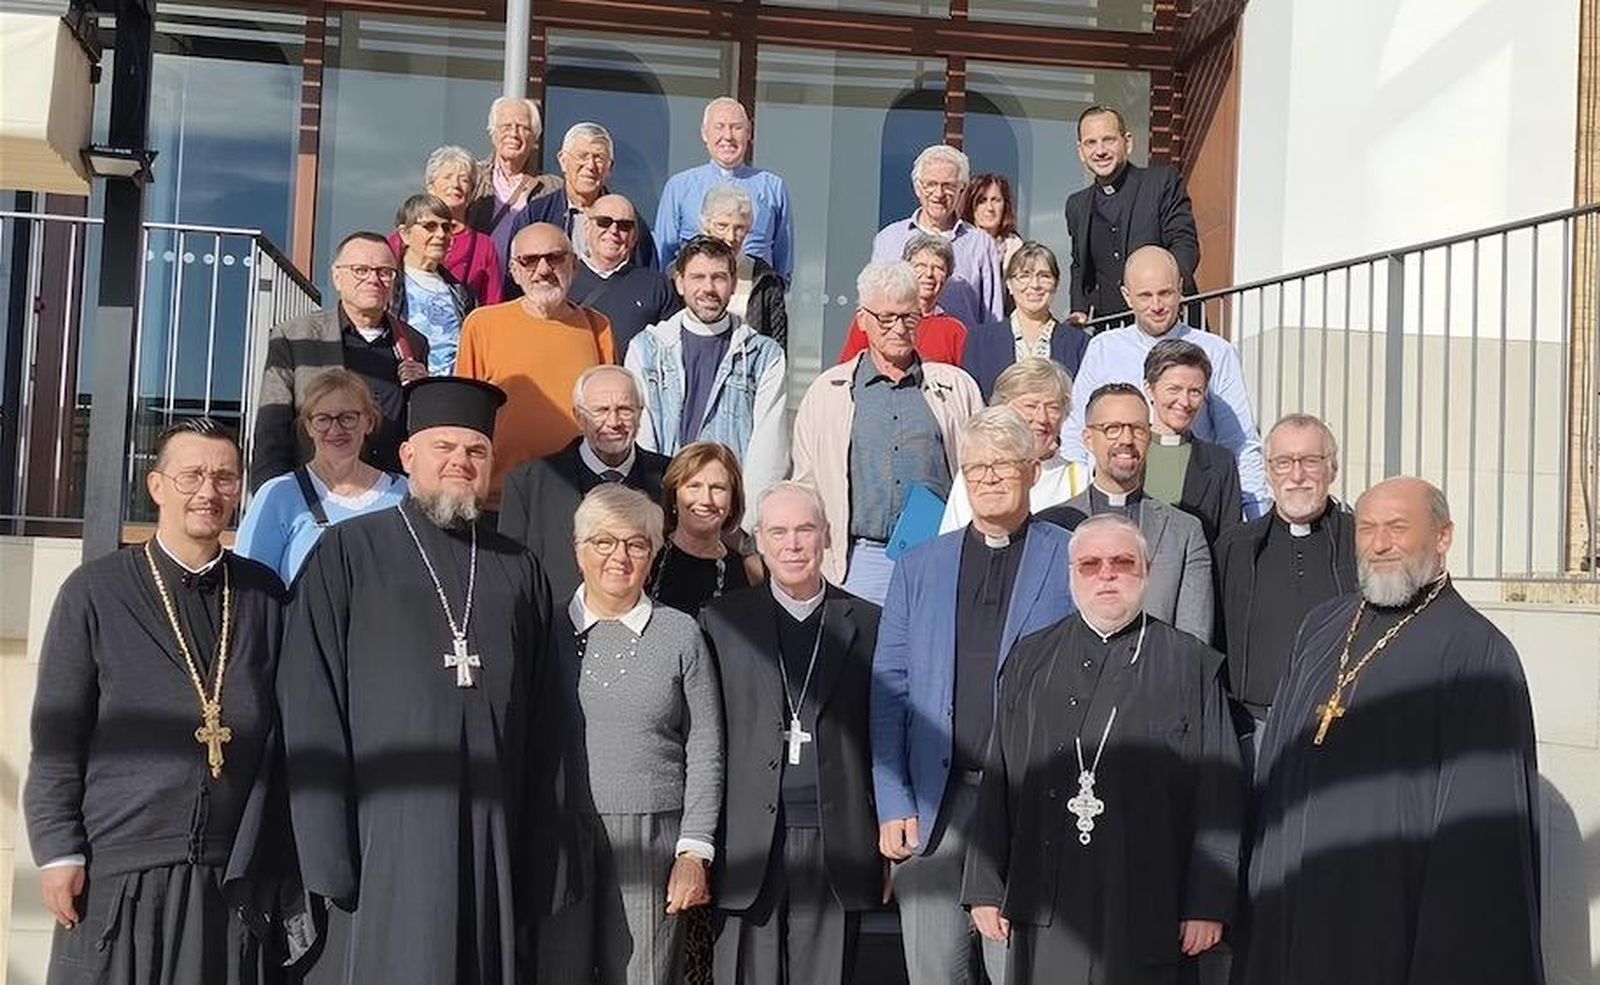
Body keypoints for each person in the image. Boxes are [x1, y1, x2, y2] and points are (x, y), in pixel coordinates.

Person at [279, 376, 554, 985]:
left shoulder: (520, 568)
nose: (461, 462)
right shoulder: (347, 554)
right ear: (408, 457)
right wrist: (327, 851)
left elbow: (544, 718)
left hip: (493, 835)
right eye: (444, 448)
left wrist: (535, 847)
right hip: (381, 837)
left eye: (476, 452)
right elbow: (309, 700)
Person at [1242, 477, 1543, 985]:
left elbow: (1481, 838)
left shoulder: (1476, 652)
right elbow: (1275, 767)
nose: (1379, 544)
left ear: (1443, 537)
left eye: (1398, 528)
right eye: (1367, 529)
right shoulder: (1321, 627)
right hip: (1292, 906)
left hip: (1388, 919)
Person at [26, 419, 286, 984]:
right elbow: (56, 738)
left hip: (230, 874)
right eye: (191, 475)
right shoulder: (95, 591)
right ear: (157, 485)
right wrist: (57, 850)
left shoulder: (265, 596)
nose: (208, 492)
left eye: (224, 478)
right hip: (118, 869)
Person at [963, 513, 1243, 985]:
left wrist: (1207, 900)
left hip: (1150, 899)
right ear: (1072, 576)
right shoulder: (1030, 659)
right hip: (1047, 897)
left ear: (1147, 573)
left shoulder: (1191, 664)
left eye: (1122, 562)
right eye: (1090, 564)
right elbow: (1000, 775)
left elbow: (1219, 792)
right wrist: (985, 886)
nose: (1107, 574)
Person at [871, 406, 1076, 985]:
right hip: (934, 809)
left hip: (1026, 807)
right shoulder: (918, 568)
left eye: (1001, 465)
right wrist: (892, 802)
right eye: (975, 467)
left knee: (1018, 971)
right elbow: (890, 691)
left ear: (1033, 470)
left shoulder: (1068, 558)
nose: (987, 477)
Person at [536, 484, 724, 985]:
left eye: (636, 544)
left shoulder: (681, 633)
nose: (620, 556)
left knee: (643, 976)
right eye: (604, 542)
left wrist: (693, 851)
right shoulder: (543, 629)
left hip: (653, 835)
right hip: (559, 834)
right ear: (579, 550)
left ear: (653, 553)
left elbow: (706, 746)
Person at [701, 482, 883, 985]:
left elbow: (883, 737)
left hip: (836, 837)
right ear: (759, 539)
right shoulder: (721, 622)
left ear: (826, 536)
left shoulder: (869, 623)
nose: (793, 544)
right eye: (778, 531)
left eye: (805, 530)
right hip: (748, 837)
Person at [791, 260, 984, 601]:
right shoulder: (828, 392)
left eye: (909, 317)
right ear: (862, 320)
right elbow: (806, 484)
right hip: (856, 561)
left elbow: (980, 469)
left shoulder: (956, 388)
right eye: (886, 318)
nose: (899, 328)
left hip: (938, 556)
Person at [1063, 245, 1269, 518]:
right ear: (1127, 296)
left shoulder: (1217, 351)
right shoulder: (1103, 348)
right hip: (1114, 500)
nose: (1157, 306)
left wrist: (1257, 515)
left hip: (1194, 498)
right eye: (1145, 296)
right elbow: (1076, 433)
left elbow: (1239, 442)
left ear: (1181, 288)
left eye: (1165, 293)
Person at [626, 236, 787, 526]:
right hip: (664, 510)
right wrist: (655, 509)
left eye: (718, 278)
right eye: (698, 277)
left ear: (734, 282)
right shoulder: (647, 348)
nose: (708, 288)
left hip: (726, 515)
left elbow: (769, 448)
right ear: (679, 282)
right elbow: (642, 433)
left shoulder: (763, 354)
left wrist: (745, 525)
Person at [251, 230, 429, 491]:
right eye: (360, 270)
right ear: (337, 277)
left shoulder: (413, 342)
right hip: (319, 495)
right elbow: (272, 431)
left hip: (388, 497)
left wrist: (423, 390)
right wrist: (271, 498)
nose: (373, 279)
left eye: (384, 272)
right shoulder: (296, 337)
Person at [456, 222, 616, 511]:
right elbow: (464, 420)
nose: (543, 270)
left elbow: (609, 414)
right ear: (514, 271)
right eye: (529, 261)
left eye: (555, 257)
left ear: (575, 265)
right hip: (500, 500)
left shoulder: (598, 327)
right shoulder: (482, 325)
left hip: (579, 499)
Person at [1213, 413, 1355, 735]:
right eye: (1283, 462)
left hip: (1338, 725)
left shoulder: (1360, 542)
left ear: (1332, 468)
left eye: (1311, 461)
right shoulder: (1235, 548)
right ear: (1268, 471)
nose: (1297, 475)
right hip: (1253, 728)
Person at [1038, 383, 1213, 642]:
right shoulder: (1051, 526)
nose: (1127, 440)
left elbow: (1194, 641)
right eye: (1112, 429)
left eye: (1137, 429)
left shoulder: (1184, 531)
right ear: (1088, 439)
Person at [499, 365, 671, 600]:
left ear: (640, 414)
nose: (614, 421)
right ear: (579, 416)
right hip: (557, 630)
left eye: (625, 409)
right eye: (600, 410)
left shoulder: (672, 479)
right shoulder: (528, 485)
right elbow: (511, 576)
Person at [236, 368, 408, 584]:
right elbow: (250, 587)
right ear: (308, 426)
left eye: (348, 417)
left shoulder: (403, 494)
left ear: (369, 423)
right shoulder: (278, 495)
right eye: (323, 419)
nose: (335, 429)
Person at [1063, 105, 1198, 326]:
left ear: (1128, 142)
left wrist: (1172, 292)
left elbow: (1183, 241)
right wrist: (1079, 308)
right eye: (1091, 143)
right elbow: (1079, 265)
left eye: (1108, 140)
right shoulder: (1076, 205)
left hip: (1169, 320)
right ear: (1080, 151)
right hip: (1112, 329)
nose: (1100, 151)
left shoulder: (1162, 182)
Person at [941, 357, 1087, 532]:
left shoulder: (1080, 478)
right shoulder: (978, 473)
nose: (1042, 418)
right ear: (1004, 409)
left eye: (1053, 407)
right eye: (1031, 406)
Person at [657, 97, 794, 281]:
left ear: (749, 133)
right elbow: (664, 257)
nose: (728, 136)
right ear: (705, 133)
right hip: (695, 299)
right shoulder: (679, 187)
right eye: (720, 127)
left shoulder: (772, 187)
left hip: (753, 295)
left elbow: (783, 259)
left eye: (736, 127)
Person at [871, 144, 1003, 330]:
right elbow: (872, 305)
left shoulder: (980, 244)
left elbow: (992, 318)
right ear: (917, 188)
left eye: (948, 186)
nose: (939, 194)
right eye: (930, 184)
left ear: (962, 189)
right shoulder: (888, 239)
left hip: (960, 356)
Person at [511, 122, 658, 283]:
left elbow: (647, 280)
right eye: (583, 156)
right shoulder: (536, 215)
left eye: (599, 158)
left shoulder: (628, 221)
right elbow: (515, 275)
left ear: (610, 168)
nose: (590, 166)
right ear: (563, 161)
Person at [1142, 339, 1241, 545]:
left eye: (1195, 391)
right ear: (1150, 389)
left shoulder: (1221, 463)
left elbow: (1228, 542)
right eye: (1174, 389)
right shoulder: (1126, 453)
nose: (1185, 402)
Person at [962, 241, 1090, 400]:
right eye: (1024, 275)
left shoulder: (1079, 344)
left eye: (1044, 276)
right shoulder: (980, 341)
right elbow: (971, 402)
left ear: (1056, 284)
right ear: (1009, 284)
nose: (1035, 285)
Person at [389, 145, 504, 307]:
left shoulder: (483, 246)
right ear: (430, 187)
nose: (455, 184)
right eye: (447, 177)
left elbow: (493, 305)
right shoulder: (405, 237)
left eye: (464, 179)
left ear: (471, 191)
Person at [648, 441, 754, 616]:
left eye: (718, 488)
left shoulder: (746, 571)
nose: (706, 499)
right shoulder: (648, 555)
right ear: (674, 495)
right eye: (694, 486)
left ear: (733, 501)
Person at [569, 193, 681, 355]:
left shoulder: (657, 285)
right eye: (604, 222)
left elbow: (672, 349)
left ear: (634, 236)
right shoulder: (564, 281)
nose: (613, 230)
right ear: (587, 227)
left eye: (624, 226)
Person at [837, 233, 968, 365]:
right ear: (906, 270)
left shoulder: (954, 330)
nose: (929, 274)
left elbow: (959, 382)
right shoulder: (875, 317)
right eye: (921, 266)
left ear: (947, 277)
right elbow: (847, 371)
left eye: (938, 268)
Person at [388, 193, 476, 376]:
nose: (441, 234)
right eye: (430, 226)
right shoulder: (388, 285)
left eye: (446, 227)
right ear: (405, 234)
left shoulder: (461, 292)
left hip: (452, 391)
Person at [468, 96, 563, 264]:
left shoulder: (552, 187)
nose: (513, 133)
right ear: (493, 133)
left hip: (528, 280)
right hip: (477, 280)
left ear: (534, 137)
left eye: (522, 127)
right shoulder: (471, 176)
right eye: (506, 126)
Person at [700, 183, 788, 347]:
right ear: (706, 225)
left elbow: (778, 346)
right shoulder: (680, 273)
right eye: (722, 226)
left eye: (739, 228)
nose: (730, 237)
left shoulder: (764, 278)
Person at [959, 172, 1024, 273]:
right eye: (982, 201)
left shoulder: (1017, 249)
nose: (990, 208)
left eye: (996, 200)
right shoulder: (958, 245)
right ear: (971, 206)